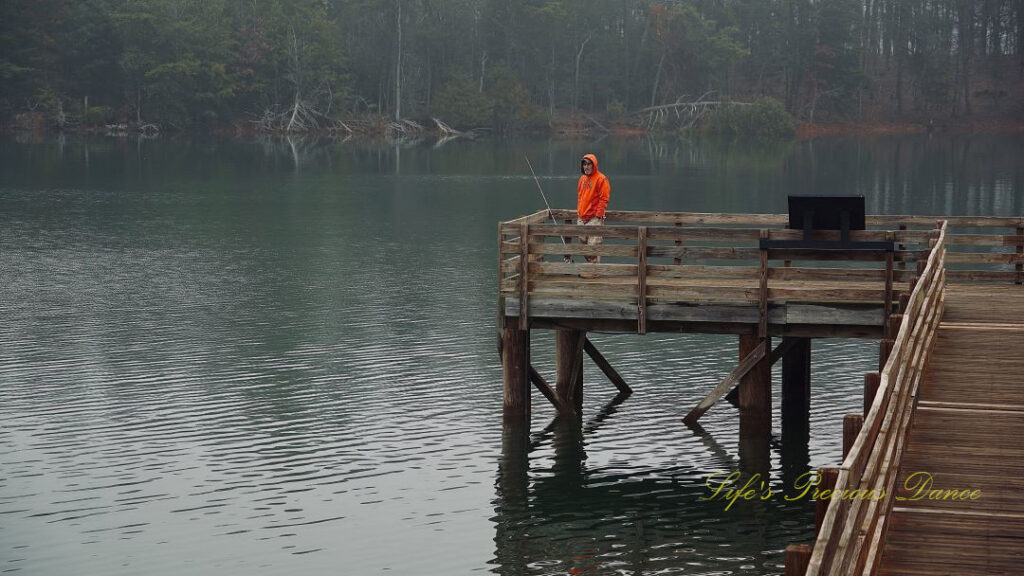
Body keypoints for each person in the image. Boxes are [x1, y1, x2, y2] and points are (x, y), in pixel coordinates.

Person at [575, 153, 610, 274]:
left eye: (589, 164)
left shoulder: (601, 179)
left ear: (594, 165)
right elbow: (580, 197)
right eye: (584, 164)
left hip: (594, 217)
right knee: (582, 244)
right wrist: (579, 212)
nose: (586, 167)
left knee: (593, 245)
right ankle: (592, 268)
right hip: (582, 217)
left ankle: (594, 271)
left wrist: (599, 215)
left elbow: (604, 198)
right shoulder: (582, 179)